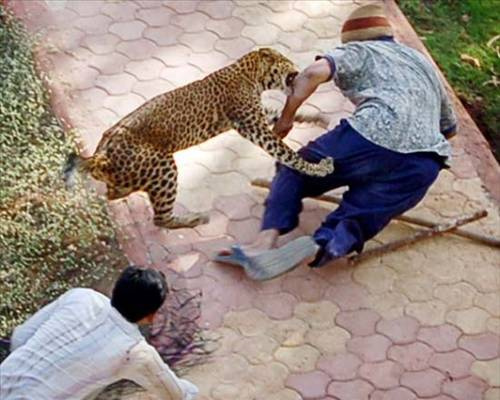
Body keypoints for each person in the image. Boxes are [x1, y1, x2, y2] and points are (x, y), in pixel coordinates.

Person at [216, 4, 457, 280]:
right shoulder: (421, 63)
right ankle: (329, 240)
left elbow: (311, 74)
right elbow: (449, 129)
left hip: (370, 134)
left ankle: (263, 244)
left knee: (294, 169)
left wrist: (286, 119)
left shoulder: (360, 50)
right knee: (366, 208)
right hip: (424, 162)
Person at [0, 266, 198, 400]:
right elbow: (175, 395)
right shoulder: (135, 353)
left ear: (115, 289)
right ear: (151, 316)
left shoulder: (81, 297)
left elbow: (20, 338)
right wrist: (191, 390)